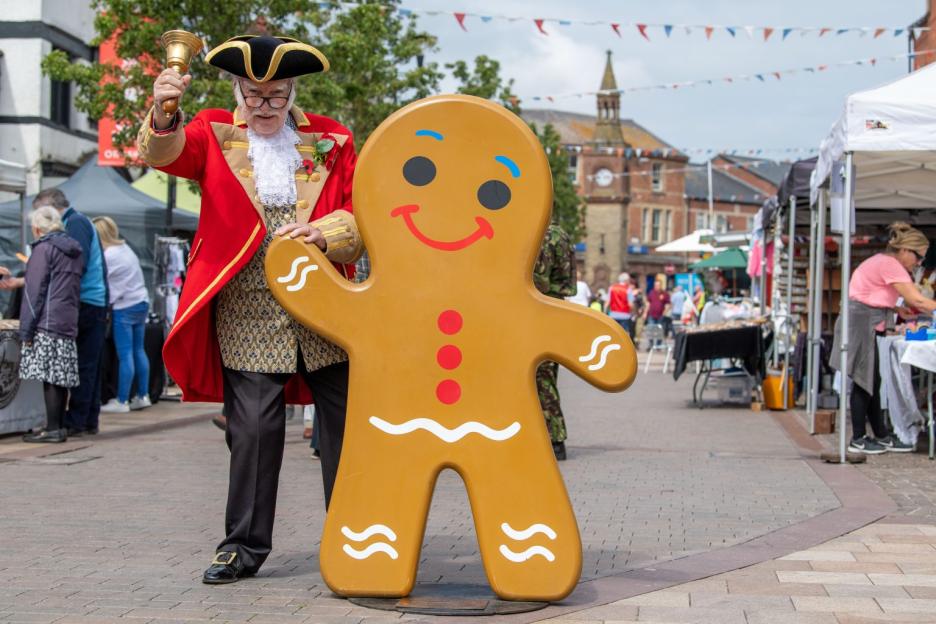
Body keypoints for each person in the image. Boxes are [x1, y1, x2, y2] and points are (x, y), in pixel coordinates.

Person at [138, 33, 362, 584]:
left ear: (293, 90)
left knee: (344, 431)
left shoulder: (331, 138)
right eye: (254, 94)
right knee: (254, 433)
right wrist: (164, 109)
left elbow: (362, 213)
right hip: (247, 308)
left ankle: (357, 538)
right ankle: (241, 547)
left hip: (325, 305)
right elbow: (164, 154)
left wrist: (326, 232)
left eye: (277, 95)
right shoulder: (214, 130)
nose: (264, 106)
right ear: (237, 88)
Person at [0, 189, 109, 436]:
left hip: (77, 305)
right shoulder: (69, 236)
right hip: (76, 306)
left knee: (68, 370)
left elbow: (50, 279)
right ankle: (79, 421)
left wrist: (27, 325)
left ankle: (73, 422)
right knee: (73, 369)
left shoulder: (69, 230)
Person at [832, 222, 936, 454]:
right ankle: (858, 438)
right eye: (918, 257)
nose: (919, 263)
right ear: (906, 251)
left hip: (862, 320)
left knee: (872, 380)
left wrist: (897, 311)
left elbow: (875, 293)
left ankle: (880, 434)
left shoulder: (881, 261)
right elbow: (917, 300)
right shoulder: (892, 265)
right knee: (863, 380)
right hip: (861, 322)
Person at [18, 207, 83, 443]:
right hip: (67, 316)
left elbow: (34, 292)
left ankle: (53, 428)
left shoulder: (43, 249)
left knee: (49, 376)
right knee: (60, 374)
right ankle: (57, 425)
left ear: (37, 228)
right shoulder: (73, 249)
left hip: (47, 319)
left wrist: (26, 329)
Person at [94, 217, 151, 413]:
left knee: (125, 354)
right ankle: (143, 395)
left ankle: (122, 400)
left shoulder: (108, 256)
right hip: (141, 301)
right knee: (138, 350)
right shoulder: (126, 249)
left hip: (124, 306)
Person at [533, 223, 576, 460]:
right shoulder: (560, 234)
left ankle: (553, 438)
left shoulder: (536, 233)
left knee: (540, 380)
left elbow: (536, 280)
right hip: (556, 311)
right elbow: (569, 282)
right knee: (547, 377)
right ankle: (553, 439)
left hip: (535, 311)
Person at [643, 279, 670, 349]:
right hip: (651, 314)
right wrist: (645, 313)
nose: (656, 286)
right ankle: (651, 344)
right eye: (655, 285)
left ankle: (658, 345)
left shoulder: (665, 294)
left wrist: (665, 312)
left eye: (658, 285)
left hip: (660, 315)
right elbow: (648, 303)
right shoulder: (651, 292)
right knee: (651, 329)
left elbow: (668, 304)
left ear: (661, 286)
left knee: (660, 330)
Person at [606, 273, 633, 339]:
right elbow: (630, 304)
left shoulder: (612, 288)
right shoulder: (628, 289)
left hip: (613, 314)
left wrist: (605, 312)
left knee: (613, 332)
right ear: (626, 280)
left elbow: (607, 302)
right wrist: (632, 312)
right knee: (625, 333)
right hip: (625, 315)